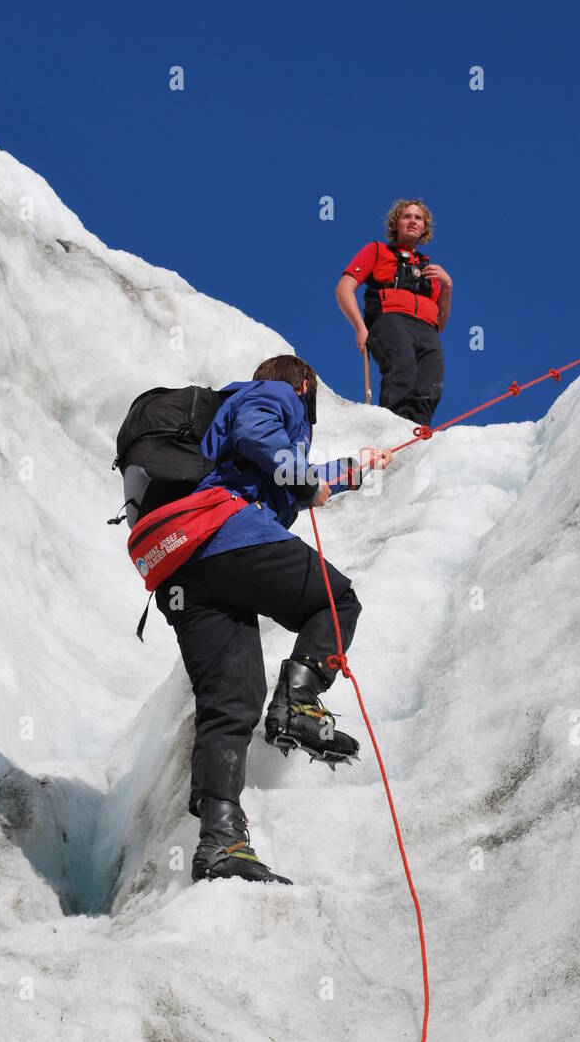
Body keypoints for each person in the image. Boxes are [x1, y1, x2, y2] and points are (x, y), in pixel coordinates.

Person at [152, 354, 394, 887]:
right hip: (224, 535)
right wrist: (307, 480)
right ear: (305, 382)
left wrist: (351, 472)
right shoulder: (277, 394)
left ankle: (220, 841)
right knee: (336, 601)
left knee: (230, 702)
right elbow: (260, 435)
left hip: (179, 565)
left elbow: (277, 471)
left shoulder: (232, 422)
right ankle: (297, 705)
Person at [335, 198, 453, 425]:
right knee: (403, 370)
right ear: (395, 223)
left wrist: (447, 287)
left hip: (427, 331)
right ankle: (391, 434)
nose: (412, 221)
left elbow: (440, 323)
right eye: (406, 216)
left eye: (418, 218)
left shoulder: (430, 272)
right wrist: (360, 327)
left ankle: (415, 436)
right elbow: (343, 289)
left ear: (424, 228)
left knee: (431, 382)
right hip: (390, 320)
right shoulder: (377, 251)